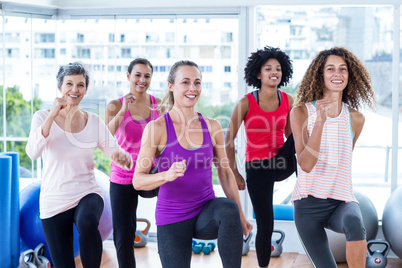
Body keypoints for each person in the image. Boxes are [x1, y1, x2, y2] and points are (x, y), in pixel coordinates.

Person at [132, 60, 253, 268]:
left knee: (228, 209)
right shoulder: (157, 128)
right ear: (171, 86)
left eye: (197, 83)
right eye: (185, 82)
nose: (192, 89)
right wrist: (166, 175)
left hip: (206, 211)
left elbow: (224, 173)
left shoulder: (212, 126)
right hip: (172, 217)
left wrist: (241, 216)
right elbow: (138, 181)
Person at [26, 62, 132, 268]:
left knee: (87, 221)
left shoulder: (93, 121)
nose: (75, 89)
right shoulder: (41, 117)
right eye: (69, 84)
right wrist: (51, 116)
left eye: (80, 85)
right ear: (60, 87)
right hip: (54, 200)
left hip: (87, 192)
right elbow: (32, 152)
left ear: (85, 89)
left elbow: (113, 149)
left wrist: (121, 156)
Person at [290, 47, 376, 268]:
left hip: (341, 201)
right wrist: (320, 121)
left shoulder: (356, 119)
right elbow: (306, 165)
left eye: (343, 69)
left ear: (350, 75)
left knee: (355, 222)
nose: (337, 74)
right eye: (330, 69)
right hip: (307, 206)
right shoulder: (300, 113)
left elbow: (342, 161)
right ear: (320, 75)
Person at [225, 46, 296, 268]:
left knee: (303, 131)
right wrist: (235, 173)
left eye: (278, 69)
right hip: (258, 167)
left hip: (282, 162)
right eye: (268, 69)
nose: (274, 72)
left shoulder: (289, 101)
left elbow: (291, 138)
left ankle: (311, 184)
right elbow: (228, 140)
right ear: (258, 74)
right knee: (266, 225)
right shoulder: (246, 102)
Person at [105, 58, 160, 268]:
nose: (142, 80)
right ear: (128, 76)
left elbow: (163, 139)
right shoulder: (115, 104)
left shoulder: (157, 104)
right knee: (123, 234)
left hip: (149, 173)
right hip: (123, 176)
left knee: (171, 216)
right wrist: (122, 110)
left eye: (147, 76)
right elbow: (105, 137)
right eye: (138, 75)